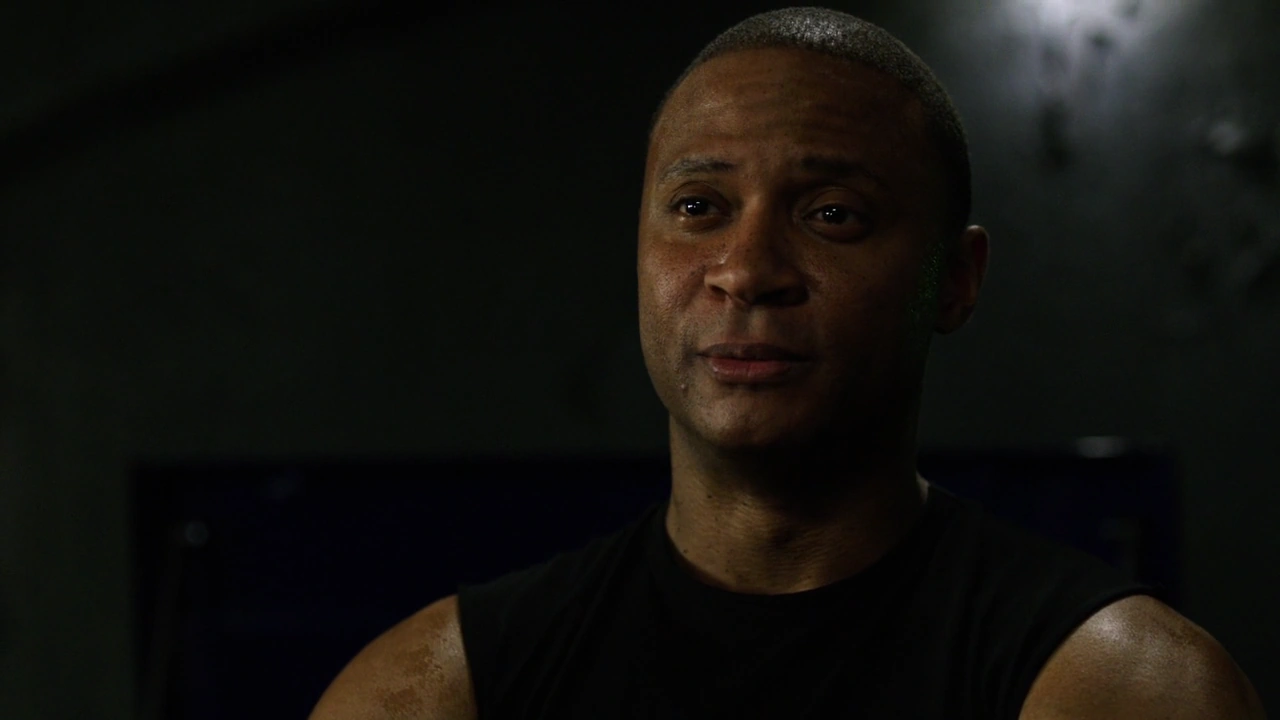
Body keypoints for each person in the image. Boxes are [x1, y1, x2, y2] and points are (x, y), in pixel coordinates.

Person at [310, 7, 1266, 719]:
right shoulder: (433, 690)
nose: (746, 270)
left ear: (955, 281)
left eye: (832, 214)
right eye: (698, 208)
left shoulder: (1118, 684)